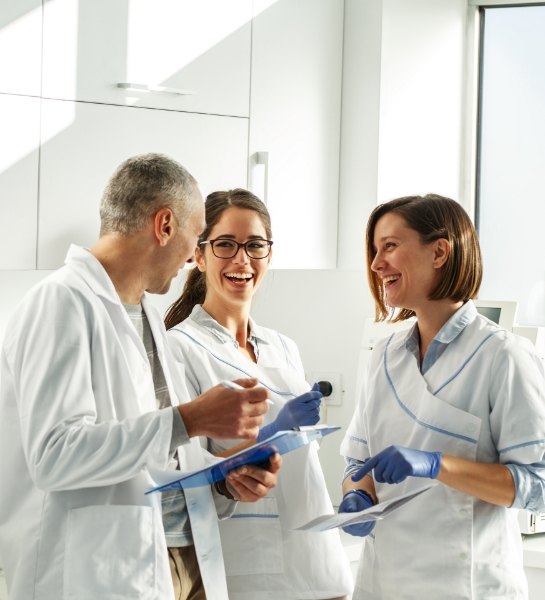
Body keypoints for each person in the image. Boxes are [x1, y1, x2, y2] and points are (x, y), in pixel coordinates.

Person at [0, 154, 282, 600]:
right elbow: (54, 455)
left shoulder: (149, 313)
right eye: (196, 236)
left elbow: (153, 456)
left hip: (171, 561)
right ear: (165, 225)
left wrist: (223, 479)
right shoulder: (60, 304)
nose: (194, 257)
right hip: (89, 575)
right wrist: (190, 420)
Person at [339, 194, 545, 599]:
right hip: (382, 584)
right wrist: (356, 495)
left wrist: (436, 465)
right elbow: (357, 460)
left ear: (439, 252)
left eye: (390, 247)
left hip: (466, 586)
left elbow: (537, 484)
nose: (377, 264)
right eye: (375, 250)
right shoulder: (384, 356)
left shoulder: (502, 356)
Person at [164, 188, 354, 599]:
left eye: (255, 245)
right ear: (199, 255)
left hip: (315, 557)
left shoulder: (283, 347)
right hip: (244, 565)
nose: (242, 260)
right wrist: (271, 435)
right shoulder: (179, 348)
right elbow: (186, 476)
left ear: (269, 254)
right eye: (226, 245)